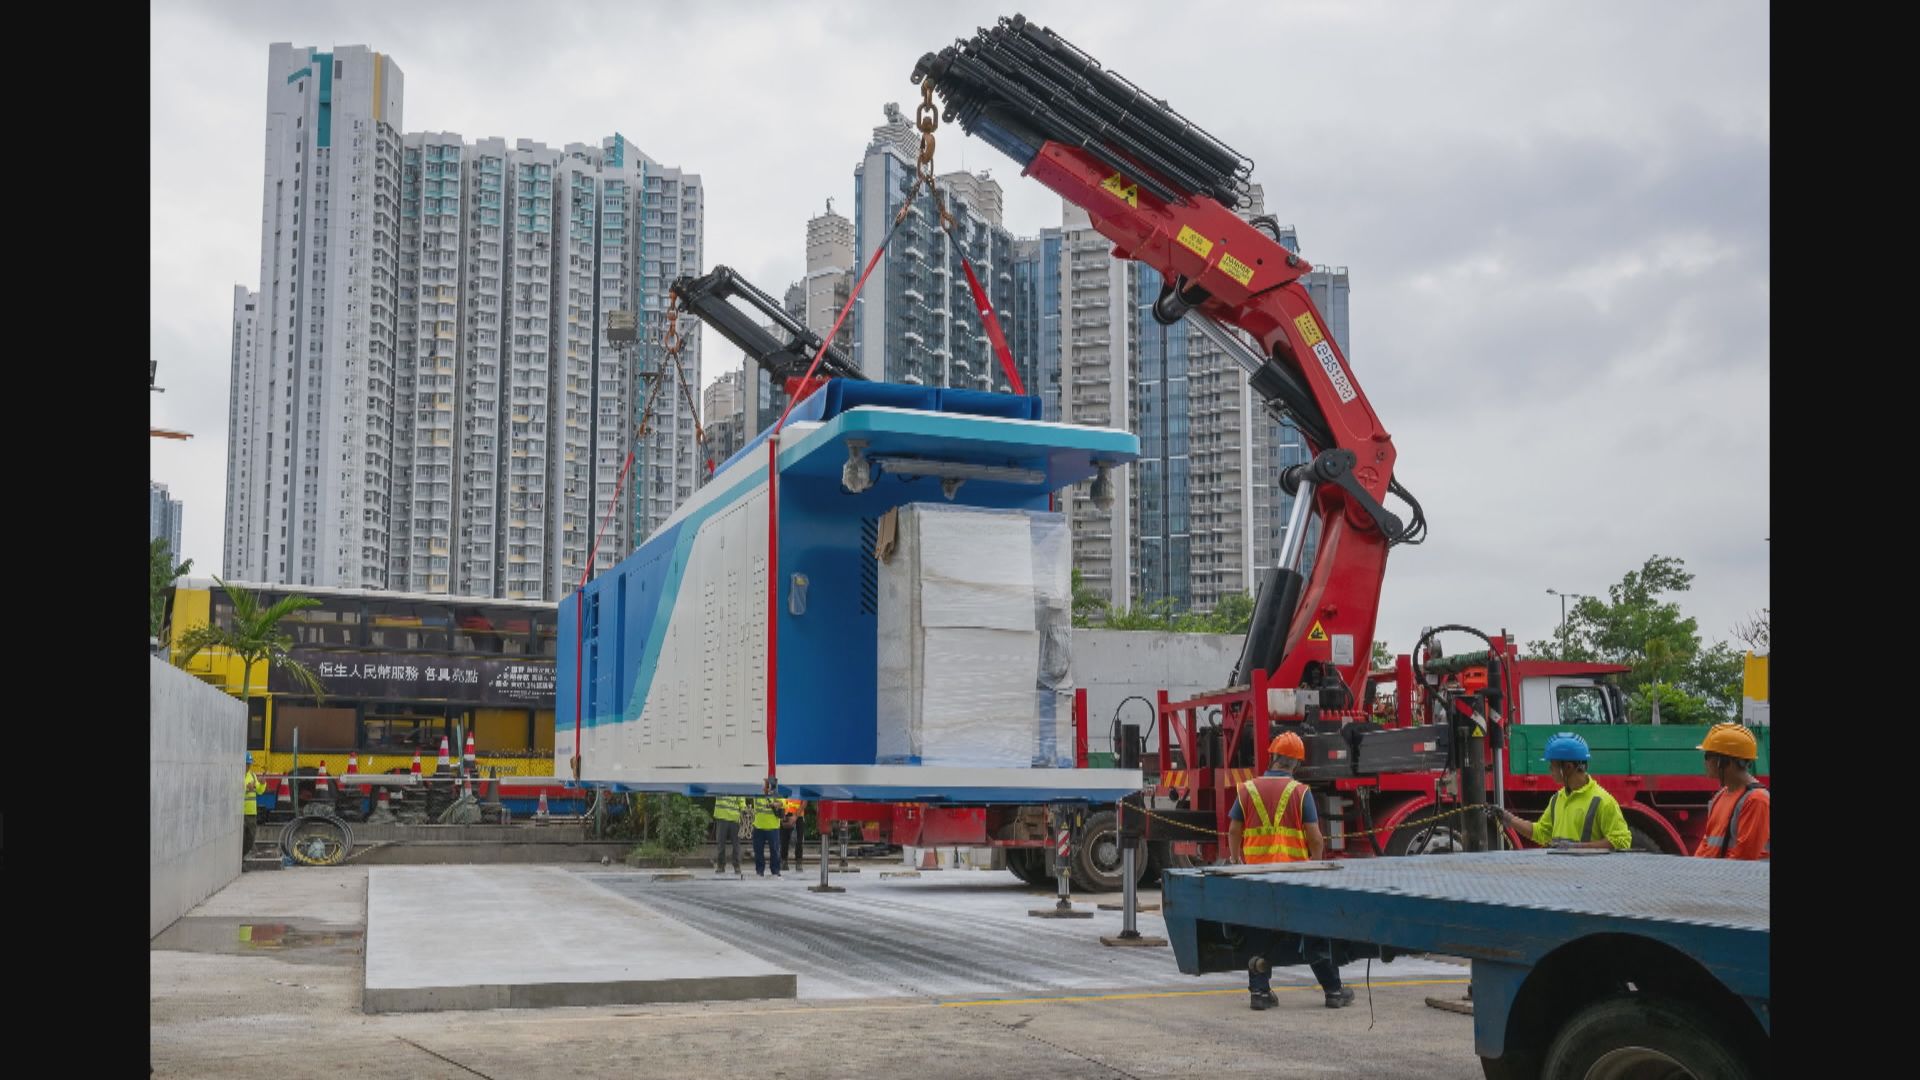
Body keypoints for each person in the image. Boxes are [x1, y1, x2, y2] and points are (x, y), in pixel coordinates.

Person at [1229, 731, 1355, 1010]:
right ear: (1295, 764)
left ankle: (1260, 994)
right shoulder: (1300, 792)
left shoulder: (1247, 789)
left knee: (1258, 933)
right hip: (1294, 874)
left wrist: (1236, 859)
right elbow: (1315, 838)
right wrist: (1315, 865)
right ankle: (1334, 991)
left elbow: (1234, 830)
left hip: (1257, 874)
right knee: (1311, 931)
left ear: (1273, 757)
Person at [1492, 732, 1633, 851]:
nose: (1549, 770)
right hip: (1562, 876)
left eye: (1552, 764)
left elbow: (1622, 841)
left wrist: (1578, 848)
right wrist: (1508, 819)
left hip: (1588, 879)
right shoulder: (1557, 799)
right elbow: (1541, 833)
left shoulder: (1602, 801)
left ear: (1568, 767)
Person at [1693, 723, 1769, 860]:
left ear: (1725, 762)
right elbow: (1707, 843)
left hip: (1736, 880)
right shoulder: (1720, 796)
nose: (1705, 762)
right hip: (1718, 877)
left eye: (1708, 756)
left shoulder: (1756, 801)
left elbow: (1743, 860)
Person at [751, 789, 785, 877]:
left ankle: (775, 870)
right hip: (759, 825)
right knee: (758, 851)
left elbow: (783, 802)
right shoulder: (756, 792)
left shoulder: (776, 791)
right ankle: (759, 870)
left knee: (775, 851)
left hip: (772, 826)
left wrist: (775, 804)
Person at [712, 793, 746, 874]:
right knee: (722, 843)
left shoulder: (737, 785)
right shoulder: (720, 784)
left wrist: (743, 809)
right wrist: (743, 808)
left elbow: (741, 799)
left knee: (735, 844)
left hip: (733, 818)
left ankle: (735, 865)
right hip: (724, 817)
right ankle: (722, 866)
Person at [243, 753, 265, 858]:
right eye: (246, 764)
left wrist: (262, 783)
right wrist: (246, 788)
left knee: (250, 838)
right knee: (241, 838)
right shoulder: (236, 774)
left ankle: (242, 857)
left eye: (249, 764)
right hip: (240, 813)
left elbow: (260, 791)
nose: (248, 766)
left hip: (251, 813)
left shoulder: (252, 775)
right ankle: (241, 860)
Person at [781, 798, 805, 869]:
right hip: (786, 814)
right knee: (784, 839)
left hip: (799, 815)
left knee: (799, 840)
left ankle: (798, 862)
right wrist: (782, 816)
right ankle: (783, 861)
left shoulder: (802, 787)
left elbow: (804, 802)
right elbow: (781, 800)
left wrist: (796, 816)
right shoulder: (784, 787)